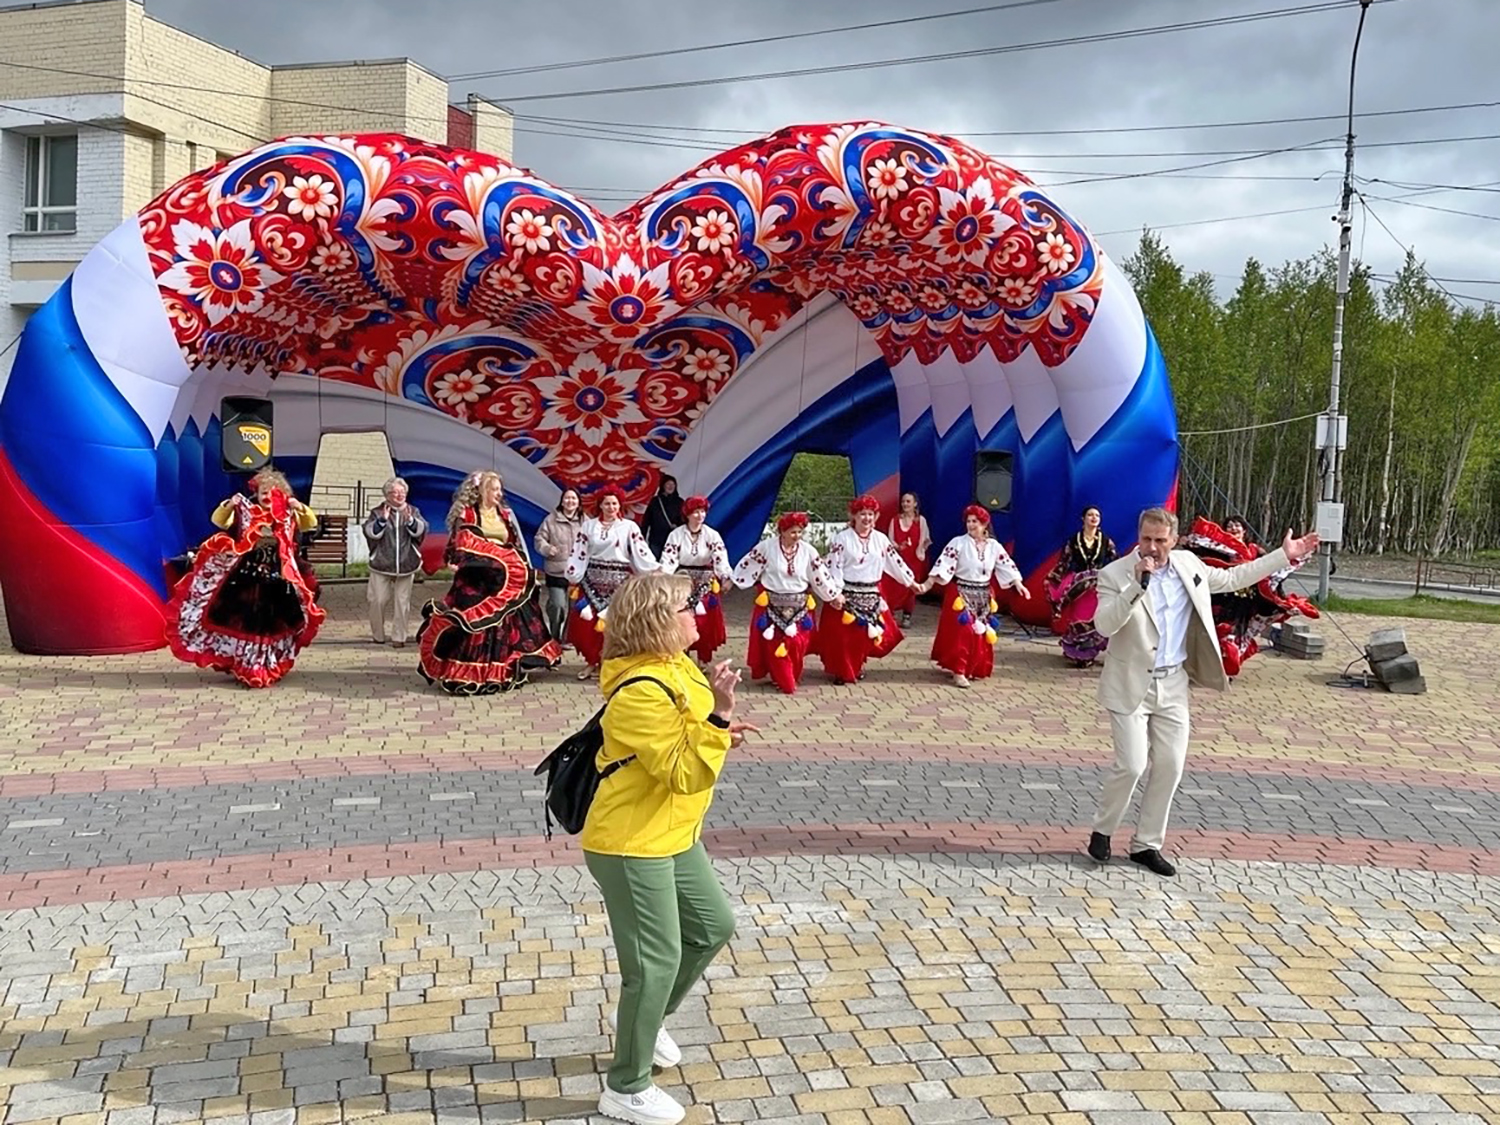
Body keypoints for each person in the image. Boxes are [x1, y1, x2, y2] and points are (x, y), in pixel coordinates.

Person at [584, 571, 757, 1125]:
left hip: (674, 832)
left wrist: (717, 725)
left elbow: (691, 731)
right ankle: (626, 1087)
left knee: (712, 926)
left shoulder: (676, 664)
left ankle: (647, 1021)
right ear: (657, 621)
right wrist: (720, 717)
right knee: (654, 964)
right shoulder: (638, 691)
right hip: (633, 842)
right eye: (687, 606)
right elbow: (683, 772)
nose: (697, 612)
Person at [1085, 507, 1319, 877]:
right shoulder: (1115, 573)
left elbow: (1235, 576)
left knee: (1170, 765)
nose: (1152, 547)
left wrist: (1282, 556)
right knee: (1132, 765)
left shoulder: (1188, 566)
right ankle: (1104, 829)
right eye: (1146, 539)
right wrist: (1136, 586)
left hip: (1173, 682)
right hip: (1129, 682)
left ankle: (1146, 845)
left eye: (1160, 540)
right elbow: (1104, 624)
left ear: (1174, 540)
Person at [166, 469, 324, 689]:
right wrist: (229, 505)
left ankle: (267, 664)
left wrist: (300, 508)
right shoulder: (246, 512)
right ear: (256, 494)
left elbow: (309, 524)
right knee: (248, 622)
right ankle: (248, 665)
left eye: (273, 492)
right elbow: (219, 521)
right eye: (263, 492)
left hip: (278, 580)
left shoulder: (289, 513)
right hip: (246, 578)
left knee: (272, 623)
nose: (267, 497)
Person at [416, 471, 561, 694]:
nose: (499, 493)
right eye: (494, 489)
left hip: (503, 579)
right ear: (482, 491)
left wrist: (521, 570)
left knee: (505, 622)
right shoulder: (467, 514)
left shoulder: (504, 514)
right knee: (475, 622)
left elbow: (513, 544)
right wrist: (460, 560)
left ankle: (499, 670)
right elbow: (459, 545)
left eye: (500, 489)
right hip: (477, 579)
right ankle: (469, 672)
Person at [1185, 514, 1318, 678]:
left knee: (1240, 634)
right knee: (1221, 631)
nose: (1233, 529)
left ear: (1244, 530)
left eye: (1237, 525)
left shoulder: (1255, 550)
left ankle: (1226, 668)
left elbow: (1270, 570)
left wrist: (1282, 599)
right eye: (1229, 526)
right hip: (1224, 599)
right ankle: (1214, 666)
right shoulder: (1218, 549)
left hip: (1249, 601)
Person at [918, 504, 1031, 688]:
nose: (970, 525)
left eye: (975, 521)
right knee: (964, 632)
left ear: (984, 524)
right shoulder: (958, 543)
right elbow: (943, 564)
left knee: (981, 632)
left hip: (983, 595)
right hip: (960, 593)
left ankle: (974, 667)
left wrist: (1019, 584)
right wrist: (927, 584)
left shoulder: (994, 546)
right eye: (968, 521)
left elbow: (1006, 565)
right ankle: (959, 671)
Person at [731, 512, 840, 695]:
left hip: (800, 606)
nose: (797, 536)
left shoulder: (808, 551)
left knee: (797, 643)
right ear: (782, 531)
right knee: (774, 643)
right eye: (793, 532)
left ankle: (790, 674)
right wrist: (733, 580)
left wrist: (833, 595)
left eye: (800, 532)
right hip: (772, 605)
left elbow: (820, 575)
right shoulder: (766, 548)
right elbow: (748, 565)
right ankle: (783, 678)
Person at [819, 495, 919, 685]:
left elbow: (895, 562)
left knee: (864, 635)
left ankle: (857, 666)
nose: (867, 518)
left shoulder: (880, 539)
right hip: (846, 593)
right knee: (844, 637)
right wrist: (835, 593)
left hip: (871, 593)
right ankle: (843, 671)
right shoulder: (842, 539)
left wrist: (911, 582)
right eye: (862, 514)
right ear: (854, 516)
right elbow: (834, 566)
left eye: (871, 514)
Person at [564, 487, 659, 681]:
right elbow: (579, 551)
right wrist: (573, 574)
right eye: (607, 503)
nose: (611, 507)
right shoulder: (588, 526)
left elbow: (640, 551)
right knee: (588, 623)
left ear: (620, 505)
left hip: (619, 582)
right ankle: (591, 662)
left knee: (617, 624)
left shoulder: (629, 527)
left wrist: (654, 570)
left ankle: (612, 664)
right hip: (592, 581)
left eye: (614, 503)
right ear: (600, 505)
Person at [657, 496, 735, 665]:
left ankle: (703, 661)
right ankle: (683, 657)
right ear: (687, 514)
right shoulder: (676, 535)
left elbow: (720, 558)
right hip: (682, 583)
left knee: (704, 622)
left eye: (703, 511)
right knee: (682, 619)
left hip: (705, 584)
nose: (700, 516)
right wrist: (663, 577)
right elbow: (669, 559)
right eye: (696, 512)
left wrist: (726, 578)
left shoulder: (712, 535)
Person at [1044, 505, 1118, 668]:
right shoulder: (1074, 540)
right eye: (1090, 515)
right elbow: (1064, 562)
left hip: (1098, 586)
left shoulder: (1105, 541)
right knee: (1079, 618)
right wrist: (1054, 579)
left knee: (1095, 619)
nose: (1094, 518)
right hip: (1079, 587)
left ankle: (1089, 652)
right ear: (1083, 519)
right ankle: (1078, 652)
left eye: (1097, 515)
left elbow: (1115, 561)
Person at [361, 476, 429, 649]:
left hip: (407, 563)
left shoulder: (413, 511)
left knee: (402, 602)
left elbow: (422, 530)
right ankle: (378, 635)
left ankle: (399, 637)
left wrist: (411, 521)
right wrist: (382, 521)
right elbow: (370, 532)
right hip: (381, 563)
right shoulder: (377, 512)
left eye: (402, 492)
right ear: (387, 495)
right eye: (395, 492)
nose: (399, 495)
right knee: (377, 600)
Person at [534, 487, 583, 645]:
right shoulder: (551, 520)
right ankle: (554, 637)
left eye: (574, 498)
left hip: (577, 573)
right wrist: (547, 549)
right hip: (556, 571)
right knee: (558, 606)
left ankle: (566, 639)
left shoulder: (585, 521)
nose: (570, 501)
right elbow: (539, 539)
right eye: (567, 498)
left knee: (574, 609)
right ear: (562, 501)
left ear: (578, 502)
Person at [884, 491, 931, 627]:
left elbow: (925, 538)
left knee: (911, 587)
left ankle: (907, 615)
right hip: (898, 559)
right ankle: (891, 613)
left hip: (914, 559)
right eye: (903, 501)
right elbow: (890, 540)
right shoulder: (895, 520)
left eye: (908, 501)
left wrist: (920, 550)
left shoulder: (921, 520)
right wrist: (898, 546)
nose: (905, 504)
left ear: (915, 504)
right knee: (894, 586)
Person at [643, 473, 685, 558]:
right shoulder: (655, 501)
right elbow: (646, 520)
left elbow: (685, 520)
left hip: (674, 540)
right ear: (663, 486)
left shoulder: (680, 502)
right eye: (668, 484)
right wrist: (642, 536)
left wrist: (677, 526)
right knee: (655, 562)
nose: (671, 487)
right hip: (656, 539)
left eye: (673, 484)